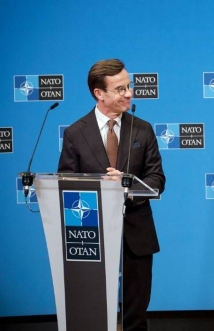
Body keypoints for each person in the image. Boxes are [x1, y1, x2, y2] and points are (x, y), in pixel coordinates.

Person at [58, 59, 166, 331]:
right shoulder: (75, 133)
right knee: (92, 313)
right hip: (90, 236)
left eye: (129, 86)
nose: (129, 93)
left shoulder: (143, 129)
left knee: (136, 314)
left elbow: (157, 179)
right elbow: (67, 185)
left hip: (136, 233)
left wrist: (127, 185)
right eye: (120, 89)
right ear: (99, 93)